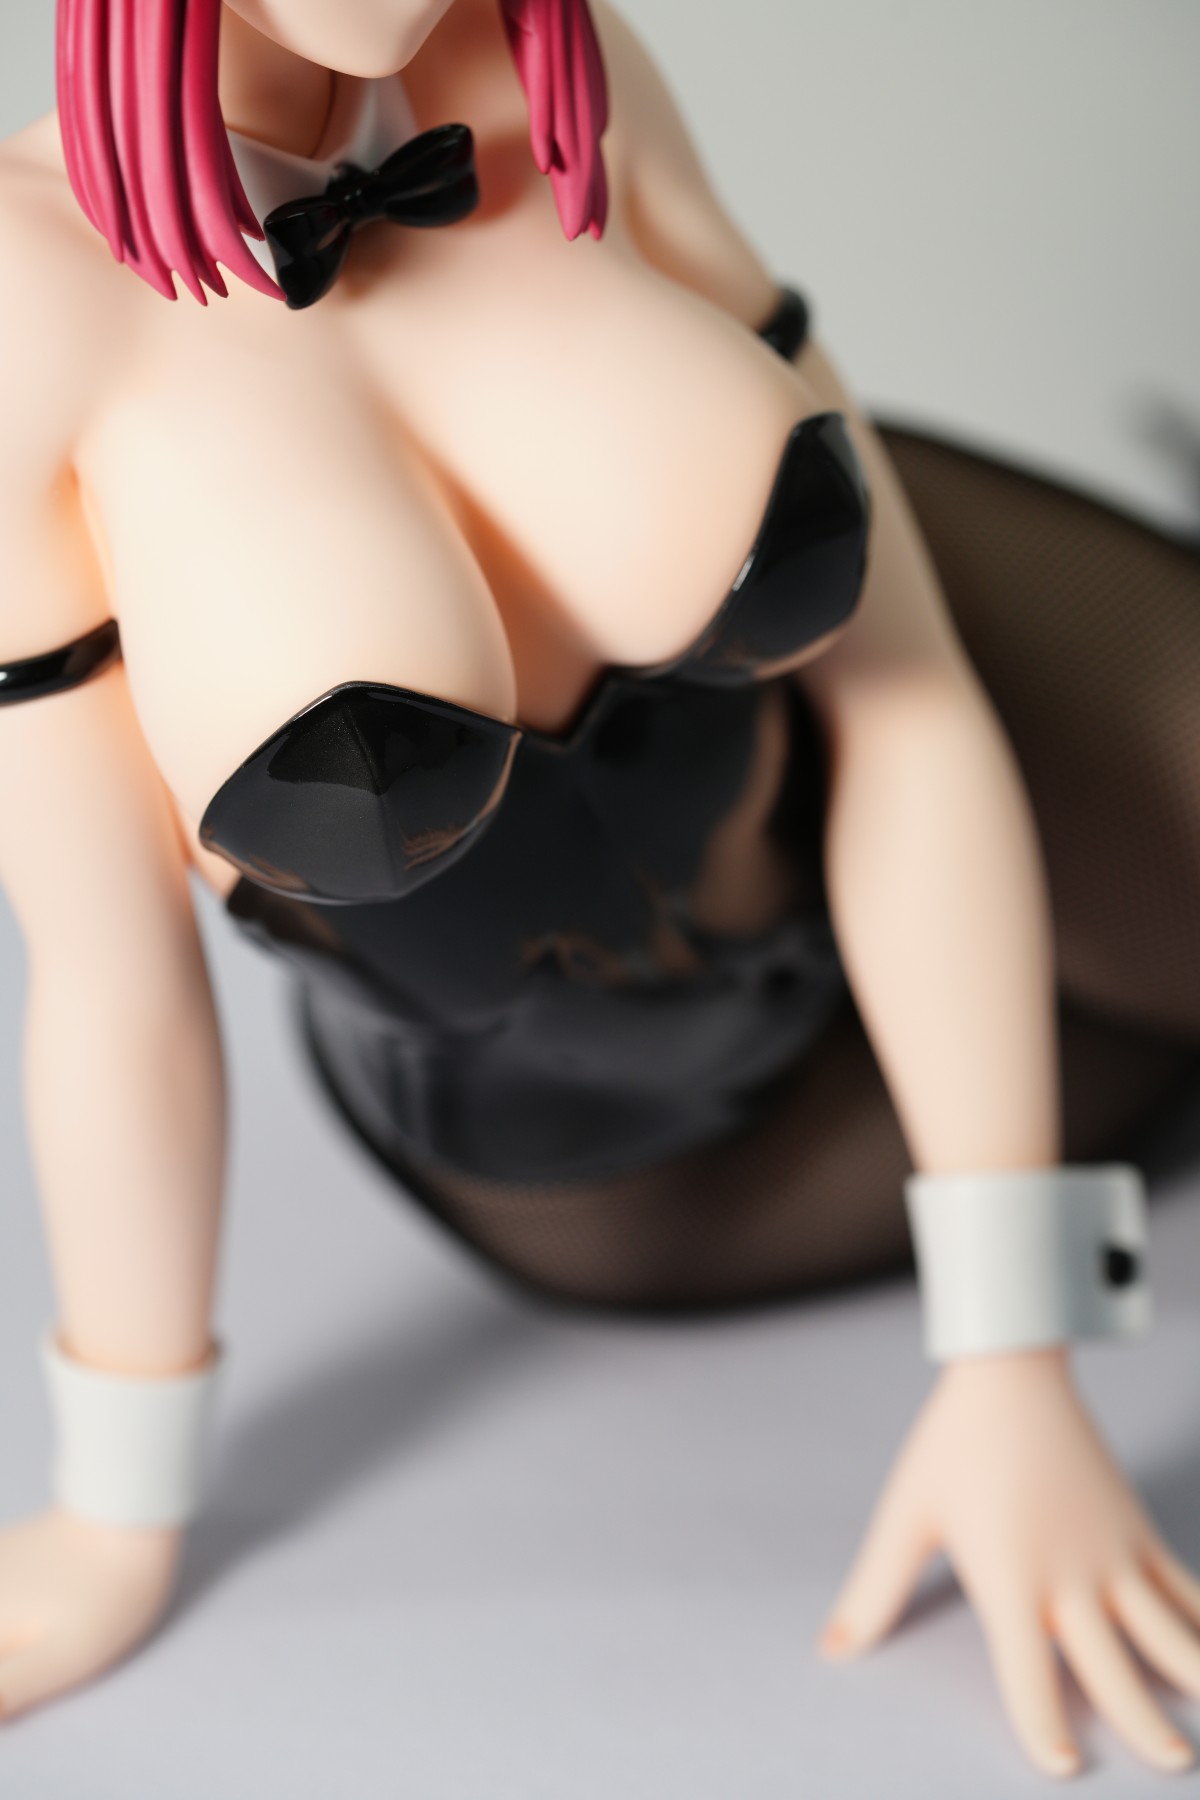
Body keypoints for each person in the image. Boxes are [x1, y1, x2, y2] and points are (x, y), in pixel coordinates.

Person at [0, 0, 1197, 1777]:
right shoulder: (26, 309)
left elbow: (911, 706)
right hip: (643, 1156)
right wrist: (117, 1519)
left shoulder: (565, 72)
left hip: (996, 727)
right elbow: (115, 988)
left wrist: (1018, 1346)